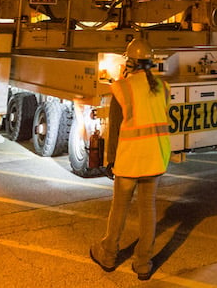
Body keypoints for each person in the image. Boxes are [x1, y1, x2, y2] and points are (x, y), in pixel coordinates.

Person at [90, 38, 171, 280]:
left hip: (129, 159)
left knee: (120, 208)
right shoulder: (163, 87)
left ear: (130, 63)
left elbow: (114, 129)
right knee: (149, 209)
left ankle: (108, 254)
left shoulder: (122, 87)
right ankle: (143, 262)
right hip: (155, 157)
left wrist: (111, 160)